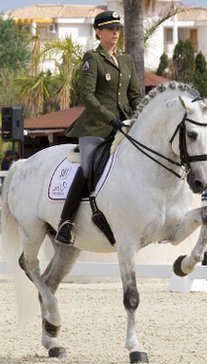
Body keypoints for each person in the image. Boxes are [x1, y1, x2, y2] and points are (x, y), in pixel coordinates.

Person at [55, 10, 141, 245]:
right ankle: (66, 222)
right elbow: (87, 96)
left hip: (124, 126)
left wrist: (141, 117)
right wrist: (110, 118)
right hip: (96, 127)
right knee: (87, 167)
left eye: (117, 29)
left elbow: (135, 96)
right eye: (110, 29)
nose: (115, 32)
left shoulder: (126, 60)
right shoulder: (92, 58)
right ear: (98, 32)